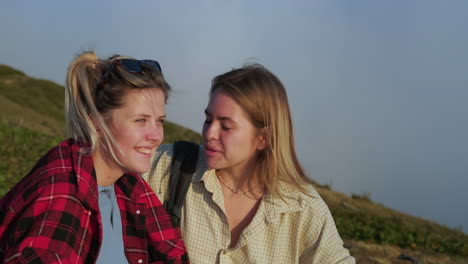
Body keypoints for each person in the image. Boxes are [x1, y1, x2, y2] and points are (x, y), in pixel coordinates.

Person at [144, 64, 355, 263]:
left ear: (264, 138)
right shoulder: (171, 166)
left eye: (225, 126)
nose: (209, 133)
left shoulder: (302, 208)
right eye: (208, 120)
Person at [0, 51, 189, 263]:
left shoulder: (129, 187)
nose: (156, 136)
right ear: (98, 124)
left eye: (159, 121)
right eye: (140, 120)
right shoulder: (61, 197)